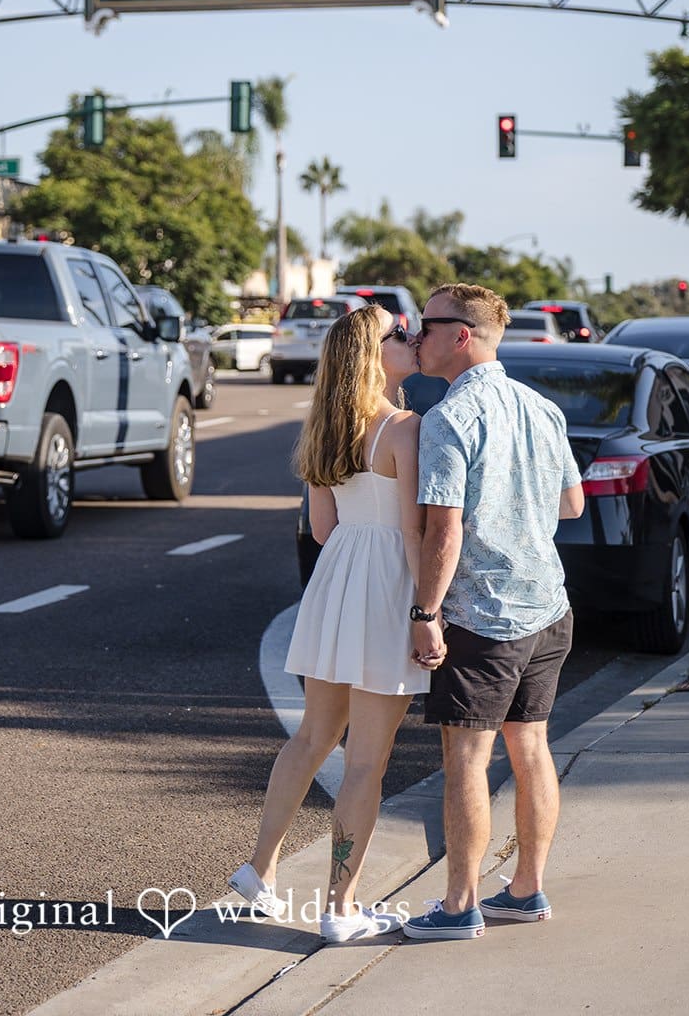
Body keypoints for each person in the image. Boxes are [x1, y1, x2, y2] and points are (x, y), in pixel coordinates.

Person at [229, 305, 441, 943]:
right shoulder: (405, 426)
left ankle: (258, 871)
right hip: (385, 586)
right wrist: (426, 613)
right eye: (398, 334)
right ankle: (340, 908)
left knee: (311, 739)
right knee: (366, 764)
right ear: (375, 355)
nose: (410, 339)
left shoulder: (326, 426)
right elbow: (412, 529)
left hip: (337, 580)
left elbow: (322, 531)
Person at [402, 283, 585, 943]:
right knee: (531, 746)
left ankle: (459, 906)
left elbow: (442, 532)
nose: (416, 336)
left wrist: (425, 611)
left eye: (426, 325)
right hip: (547, 608)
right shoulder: (540, 408)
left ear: (462, 336)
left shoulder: (450, 419)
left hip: (483, 615)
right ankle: (527, 890)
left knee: (467, 759)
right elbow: (573, 505)